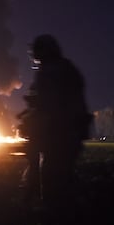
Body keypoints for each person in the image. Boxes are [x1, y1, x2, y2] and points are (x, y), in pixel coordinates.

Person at [16, 34, 91, 215]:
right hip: (71, 133)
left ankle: (52, 215)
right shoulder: (67, 68)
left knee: (50, 176)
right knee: (63, 174)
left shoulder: (49, 72)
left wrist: (29, 121)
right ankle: (68, 210)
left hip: (57, 134)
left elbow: (48, 105)